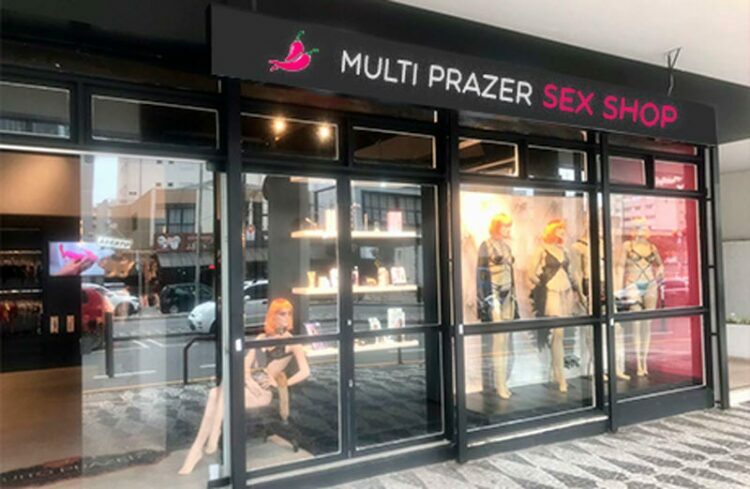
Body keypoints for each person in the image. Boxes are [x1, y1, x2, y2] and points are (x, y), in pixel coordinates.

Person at [178, 298, 310, 475]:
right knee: (215, 393)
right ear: (273, 316)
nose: (285, 317)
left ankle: (204, 444)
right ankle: (200, 446)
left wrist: (281, 383)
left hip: (266, 392)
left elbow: (305, 371)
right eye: (281, 313)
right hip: (250, 386)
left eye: (288, 314)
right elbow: (245, 366)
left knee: (220, 394)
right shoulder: (262, 338)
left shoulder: (292, 342)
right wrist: (249, 381)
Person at [529, 219, 581, 393]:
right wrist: (542, 286)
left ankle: (555, 371)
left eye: (563, 229)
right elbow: (530, 273)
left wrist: (580, 293)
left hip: (566, 291)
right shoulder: (542, 250)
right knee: (557, 333)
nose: (562, 232)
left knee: (561, 333)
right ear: (552, 231)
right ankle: (561, 377)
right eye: (559, 229)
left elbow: (573, 273)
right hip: (551, 291)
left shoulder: (564, 250)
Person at [476, 213, 517, 399]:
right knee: (498, 340)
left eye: (509, 226)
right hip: (493, 293)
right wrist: (485, 299)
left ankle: (503, 382)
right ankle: (498, 383)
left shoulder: (507, 246)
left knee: (505, 340)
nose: (508, 229)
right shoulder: (486, 246)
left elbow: (510, 272)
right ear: (497, 227)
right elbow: (481, 274)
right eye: (505, 226)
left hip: (508, 294)